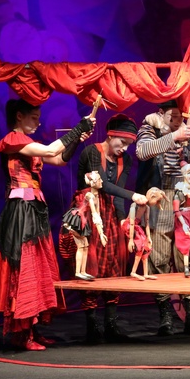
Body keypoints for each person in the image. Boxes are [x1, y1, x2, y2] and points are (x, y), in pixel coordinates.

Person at [0, 98, 95, 351]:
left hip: (34, 208)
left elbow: (58, 160)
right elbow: (49, 151)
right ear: (19, 116)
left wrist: (76, 140)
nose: (38, 123)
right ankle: (21, 333)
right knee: (25, 267)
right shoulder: (13, 140)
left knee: (38, 267)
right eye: (34, 117)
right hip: (22, 209)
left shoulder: (27, 143)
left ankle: (32, 329)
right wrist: (78, 129)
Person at [58, 113, 148, 344]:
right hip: (90, 212)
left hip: (110, 215)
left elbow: (116, 195)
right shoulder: (91, 152)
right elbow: (104, 185)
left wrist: (122, 221)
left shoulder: (125, 161)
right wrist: (133, 195)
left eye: (129, 145)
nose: (124, 149)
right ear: (111, 135)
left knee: (114, 265)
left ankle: (111, 324)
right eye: (122, 142)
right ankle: (92, 325)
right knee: (91, 266)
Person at [135, 99, 190, 336]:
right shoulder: (150, 128)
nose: (178, 121)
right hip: (159, 196)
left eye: (180, 116)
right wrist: (172, 137)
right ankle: (165, 316)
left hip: (183, 196)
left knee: (186, 254)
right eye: (173, 116)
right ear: (161, 113)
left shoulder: (186, 132)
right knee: (157, 255)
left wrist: (189, 151)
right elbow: (142, 152)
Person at [60, 171, 106, 281]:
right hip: (76, 220)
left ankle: (83, 271)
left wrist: (101, 232)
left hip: (83, 220)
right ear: (93, 182)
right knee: (81, 245)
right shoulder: (89, 196)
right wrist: (100, 234)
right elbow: (94, 214)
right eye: (99, 179)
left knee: (85, 245)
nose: (101, 181)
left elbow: (98, 215)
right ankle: (78, 272)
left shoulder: (97, 196)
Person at [124, 187, 167, 281]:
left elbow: (147, 223)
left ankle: (146, 273)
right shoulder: (134, 206)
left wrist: (148, 237)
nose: (157, 203)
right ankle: (133, 272)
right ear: (152, 196)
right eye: (157, 201)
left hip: (136, 226)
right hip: (129, 226)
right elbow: (131, 222)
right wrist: (131, 239)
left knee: (146, 247)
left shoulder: (147, 207)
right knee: (140, 247)